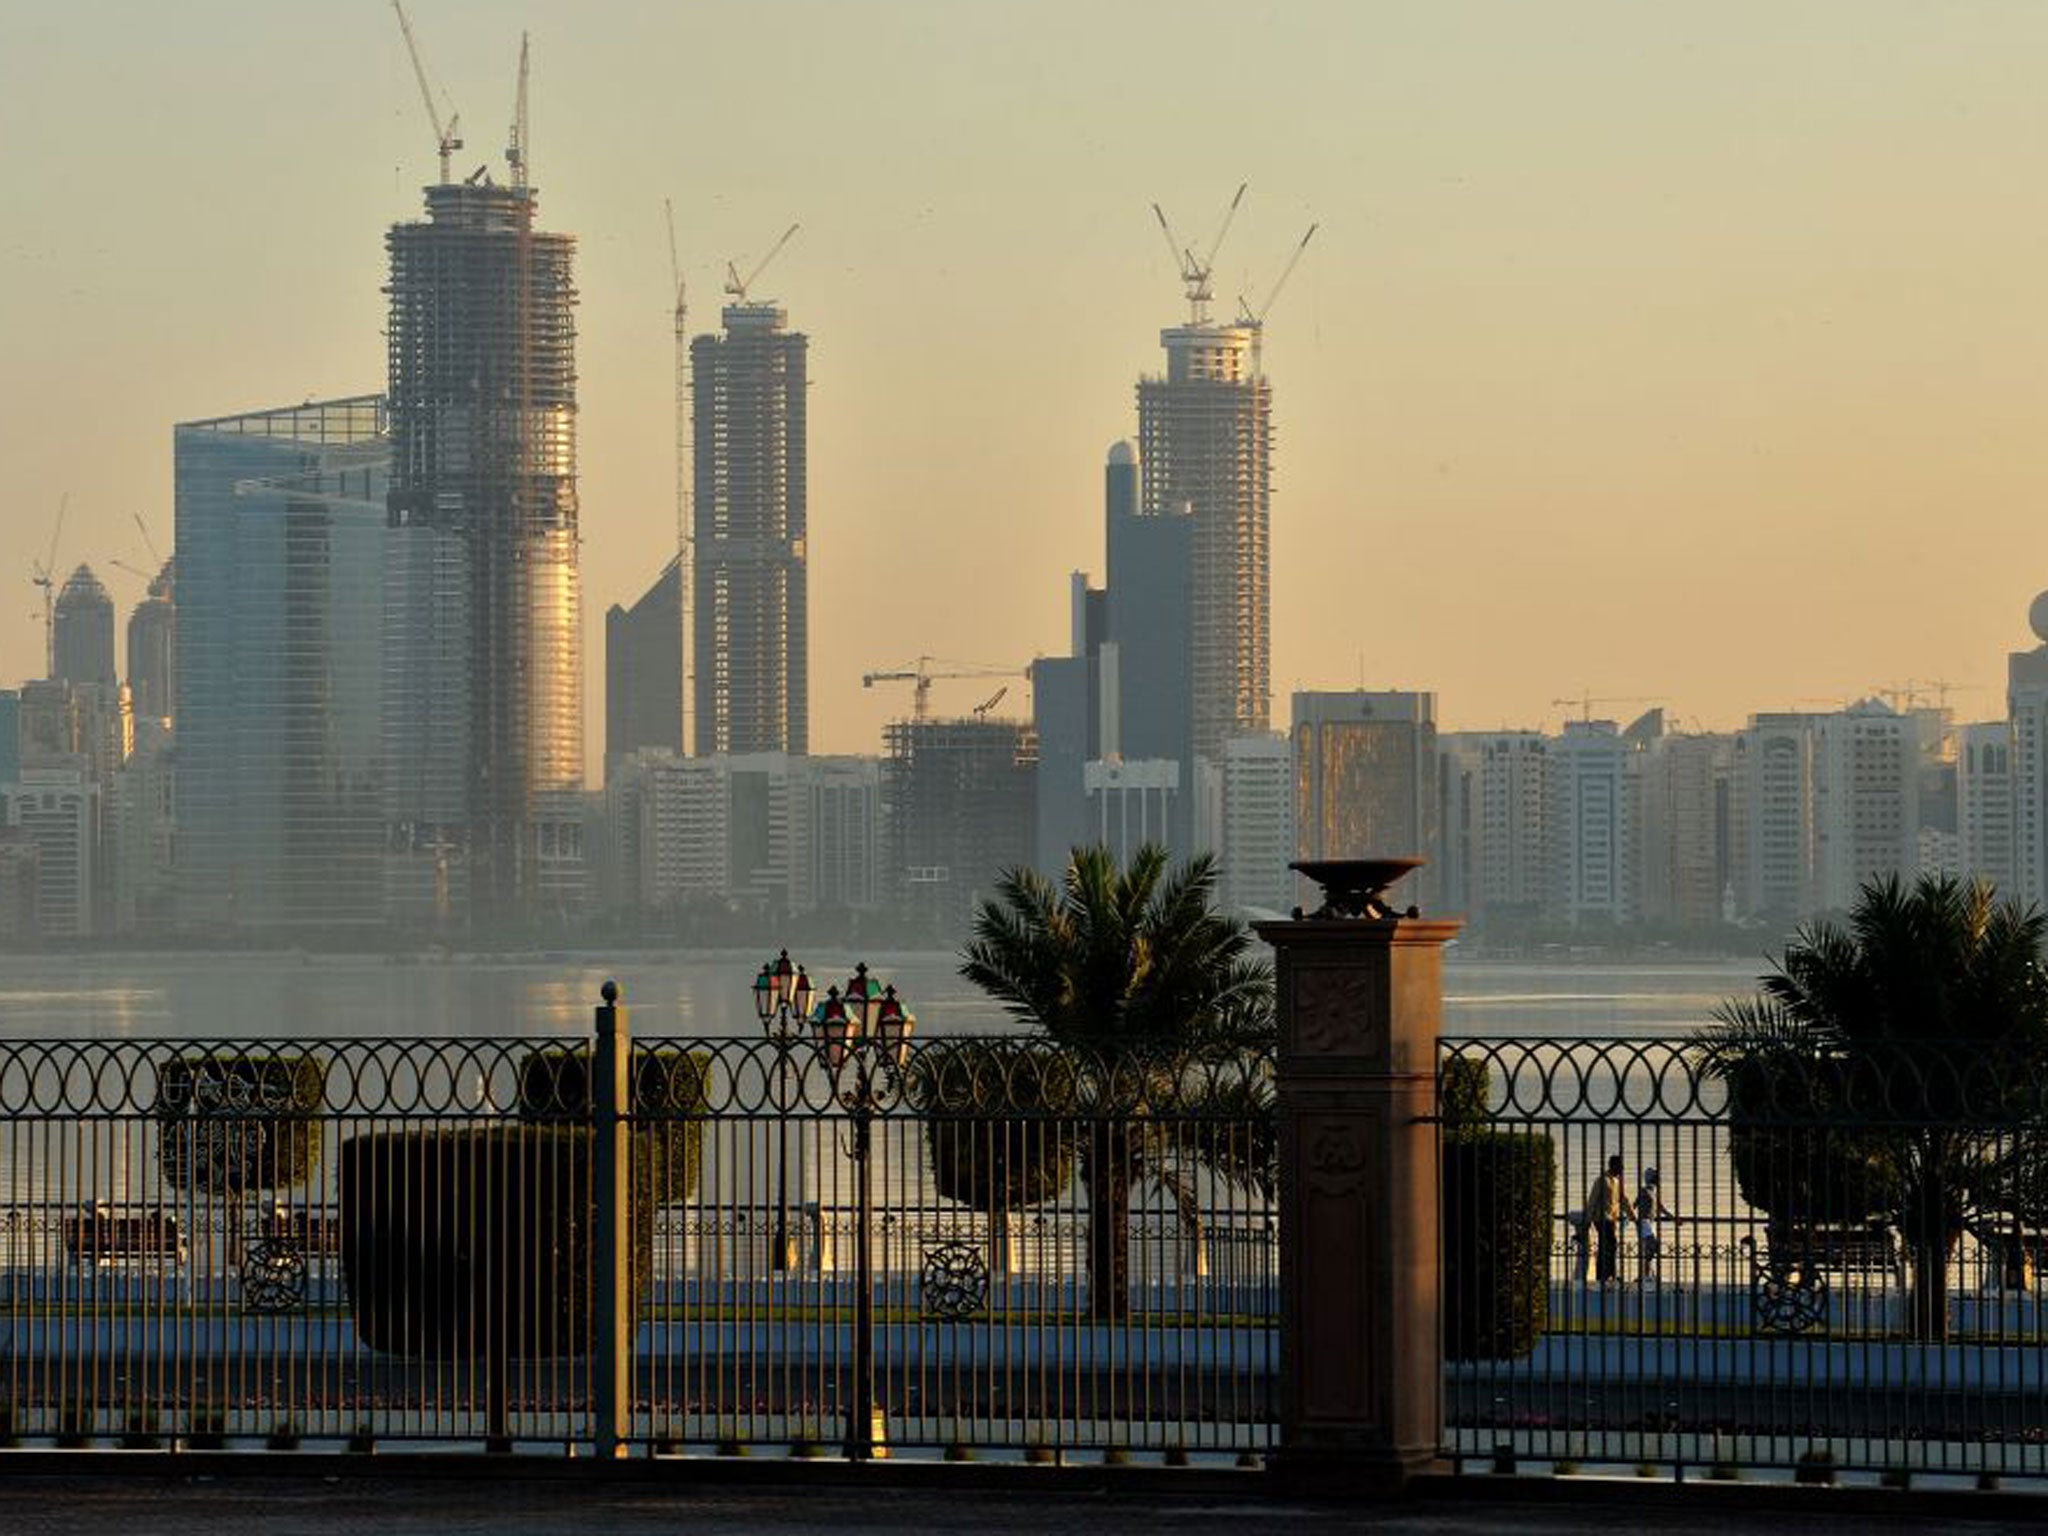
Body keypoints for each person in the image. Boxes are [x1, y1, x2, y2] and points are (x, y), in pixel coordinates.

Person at [1584, 1153, 1625, 1286]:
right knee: (1609, 1244)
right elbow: (1592, 1200)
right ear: (1613, 1166)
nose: (1622, 1169)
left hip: (1611, 1219)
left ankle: (1609, 1274)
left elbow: (1624, 1200)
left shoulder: (1617, 1181)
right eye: (1620, 1166)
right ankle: (1603, 1275)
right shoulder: (1602, 1180)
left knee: (1610, 1246)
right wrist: (1588, 1220)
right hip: (1601, 1218)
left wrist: (1633, 1218)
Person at [1634, 1166, 1676, 1285]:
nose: (1658, 1180)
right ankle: (1646, 1275)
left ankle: (1647, 1275)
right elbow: (1634, 1205)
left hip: (1650, 1223)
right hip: (1644, 1222)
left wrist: (1674, 1219)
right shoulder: (1644, 1191)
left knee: (1649, 1248)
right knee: (1652, 1246)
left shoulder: (1653, 1192)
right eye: (1656, 1177)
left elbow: (1661, 1208)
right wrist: (1629, 1219)